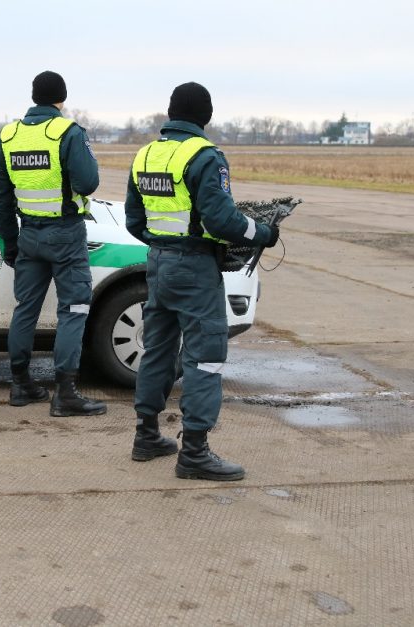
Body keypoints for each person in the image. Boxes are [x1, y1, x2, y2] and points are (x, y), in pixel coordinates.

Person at [125, 82, 278, 480]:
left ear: (171, 112)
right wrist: (263, 233)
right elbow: (222, 220)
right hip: (194, 269)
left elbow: (134, 220)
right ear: (205, 117)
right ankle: (194, 452)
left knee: (157, 350)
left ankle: (146, 436)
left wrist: (165, 246)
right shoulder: (205, 156)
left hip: (158, 262)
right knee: (205, 357)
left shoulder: (146, 155)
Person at [0, 70, 107, 417]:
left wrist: (11, 242)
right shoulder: (67, 132)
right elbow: (88, 183)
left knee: (25, 309)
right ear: (61, 99)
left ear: (33, 97)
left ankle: (20, 384)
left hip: (29, 235)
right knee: (74, 309)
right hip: (66, 234)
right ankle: (66, 393)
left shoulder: (9, 135)